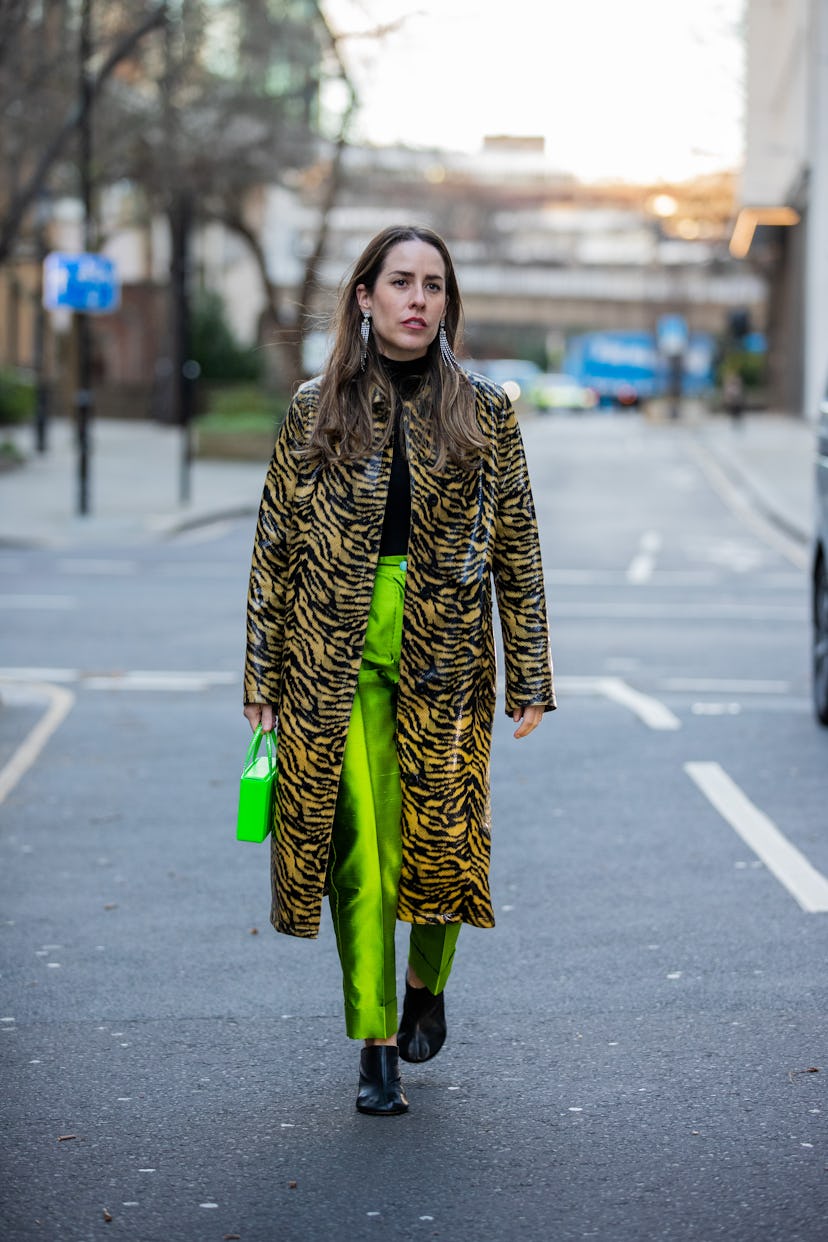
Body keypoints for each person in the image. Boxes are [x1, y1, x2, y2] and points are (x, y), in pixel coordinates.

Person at [243, 224, 555, 1117]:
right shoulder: (316, 406)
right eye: (402, 282)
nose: (419, 299)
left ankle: (427, 980)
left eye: (435, 285)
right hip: (332, 655)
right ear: (365, 297)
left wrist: (529, 669)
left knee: (447, 847)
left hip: (448, 652)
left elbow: (519, 547)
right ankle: (374, 1041)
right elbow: (275, 548)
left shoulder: (485, 408)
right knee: (365, 860)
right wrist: (263, 675)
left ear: (449, 302)